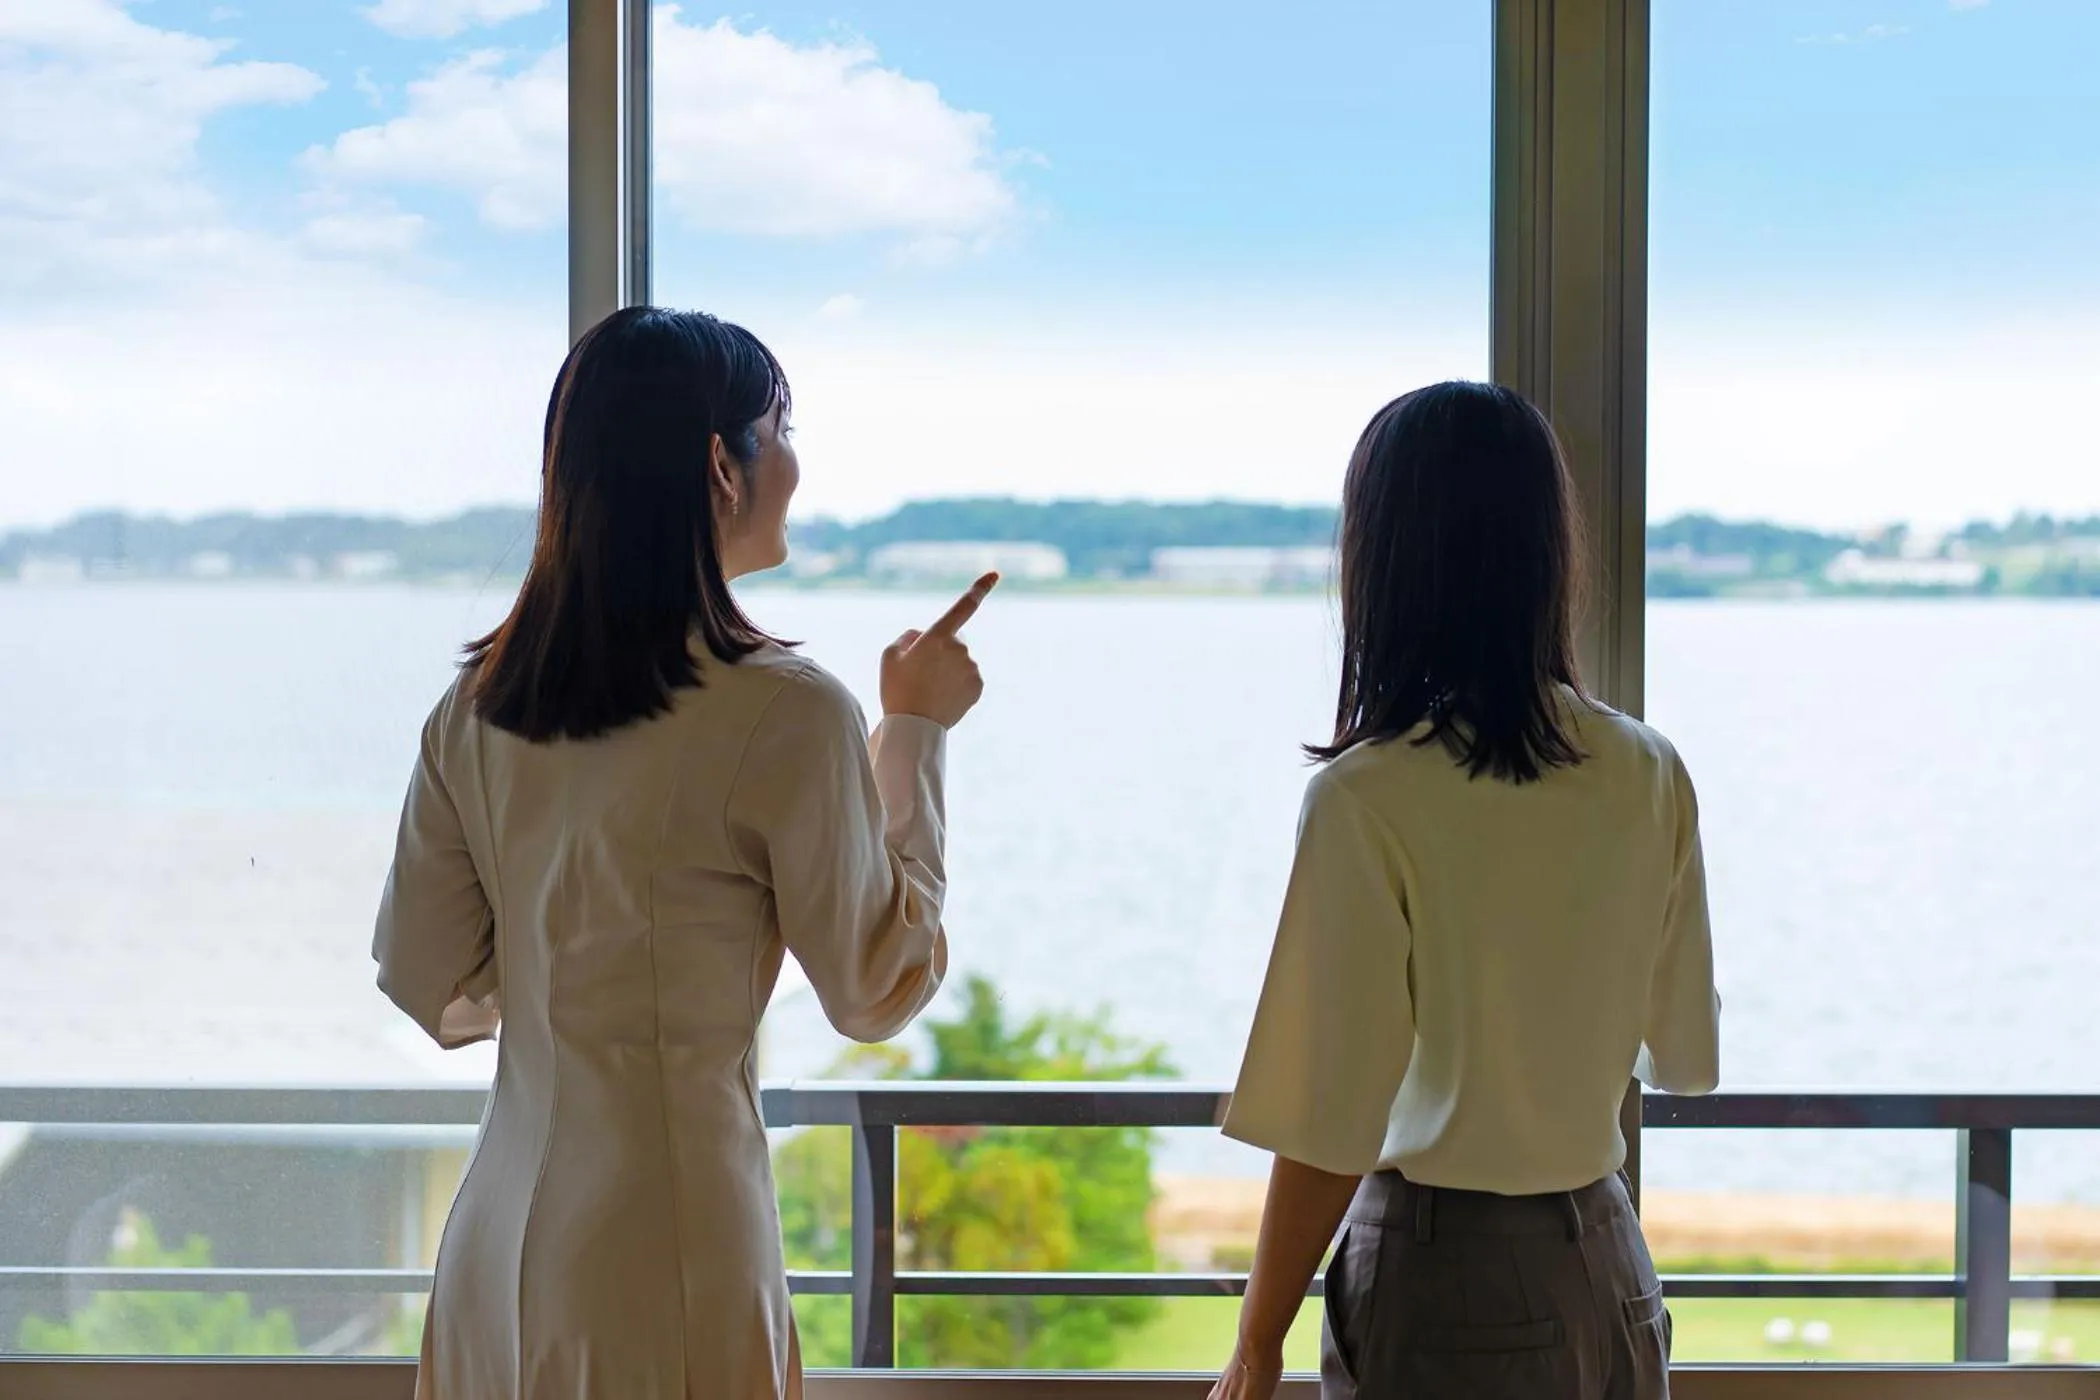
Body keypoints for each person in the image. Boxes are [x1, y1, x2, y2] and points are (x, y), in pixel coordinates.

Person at [372, 306, 997, 1400]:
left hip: (495, 1235)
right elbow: (875, 981)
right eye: (781, 425)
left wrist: (567, 975)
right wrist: (915, 731)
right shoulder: (783, 710)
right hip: (668, 1244)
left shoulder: (475, 705)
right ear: (722, 464)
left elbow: (430, 980)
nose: (795, 461)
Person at [1210, 381, 1721, 1400]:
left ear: (1385, 558)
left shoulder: (1370, 795)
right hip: (1613, 1265)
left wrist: (1255, 1341)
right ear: (1548, 552)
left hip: (1447, 1277)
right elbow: (1685, 1054)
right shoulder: (1648, 766)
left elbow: (1326, 1119)